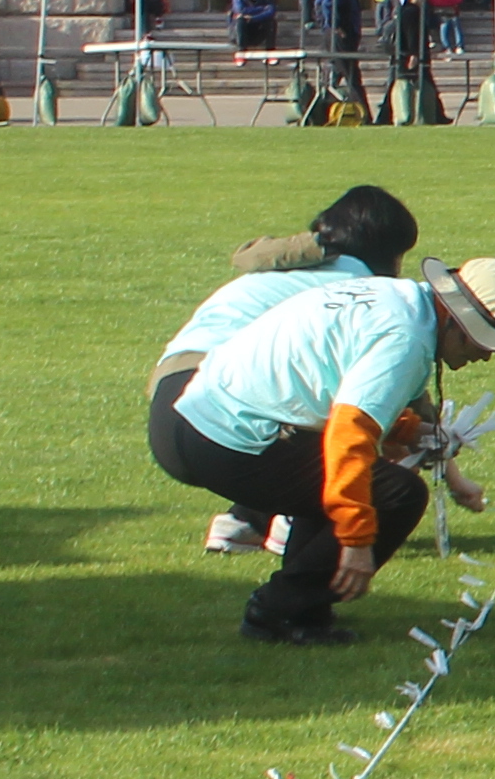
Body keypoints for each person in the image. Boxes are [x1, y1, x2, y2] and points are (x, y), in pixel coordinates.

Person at [155, 253, 495, 648]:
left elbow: (337, 391)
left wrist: (410, 430)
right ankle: (279, 609)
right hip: (222, 436)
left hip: (195, 421)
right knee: (397, 493)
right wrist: (357, 541)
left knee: (342, 481)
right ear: (457, 322)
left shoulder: (399, 299)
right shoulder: (406, 337)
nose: (485, 356)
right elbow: (349, 433)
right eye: (484, 342)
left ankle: (303, 612)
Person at [156, 182, 426, 553]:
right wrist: (432, 433)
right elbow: (385, 385)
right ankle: (285, 522)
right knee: (342, 415)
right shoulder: (365, 292)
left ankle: (242, 522)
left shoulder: (295, 259)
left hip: (170, 388)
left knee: (304, 399)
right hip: (220, 389)